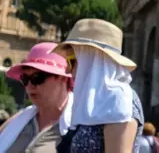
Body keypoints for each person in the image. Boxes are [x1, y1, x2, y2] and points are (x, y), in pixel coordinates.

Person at [53, 18, 145, 152]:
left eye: (72, 61)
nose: (67, 70)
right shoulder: (93, 102)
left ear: (93, 58)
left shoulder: (118, 99)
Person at [0, 42, 73, 152]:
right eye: (25, 79)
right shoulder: (16, 121)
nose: (29, 85)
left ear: (63, 78)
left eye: (37, 78)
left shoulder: (82, 128)